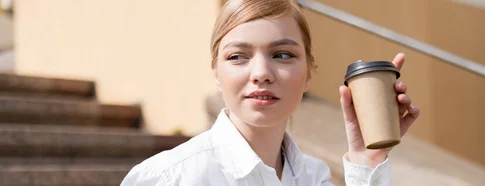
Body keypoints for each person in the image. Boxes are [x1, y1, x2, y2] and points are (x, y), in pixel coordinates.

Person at [120, 0, 419, 185]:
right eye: (238, 56)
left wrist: (367, 161)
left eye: (282, 55)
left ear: (308, 74)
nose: (261, 73)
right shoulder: (169, 179)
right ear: (216, 73)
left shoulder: (313, 178)